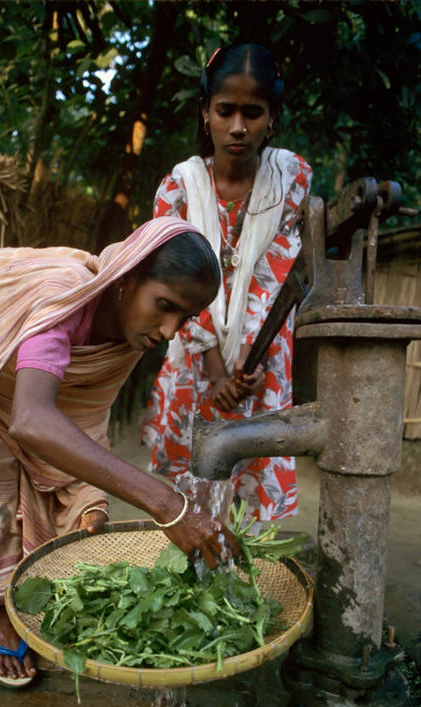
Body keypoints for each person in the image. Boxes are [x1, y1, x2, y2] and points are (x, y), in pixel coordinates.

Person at [0, 217, 240, 686]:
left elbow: (81, 418)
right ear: (128, 277)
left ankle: (20, 584)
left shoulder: (129, 336)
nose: (171, 330)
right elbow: (32, 420)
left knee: (81, 505)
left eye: (186, 318)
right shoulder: (65, 298)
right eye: (165, 306)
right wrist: (168, 505)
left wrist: (85, 499)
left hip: (21, 384)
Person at [142, 41, 312, 525]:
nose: (238, 127)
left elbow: (279, 276)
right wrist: (215, 371)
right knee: (189, 503)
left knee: (251, 509)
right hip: (197, 360)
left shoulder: (291, 178)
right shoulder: (177, 190)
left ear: (271, 117)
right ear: (205, 112)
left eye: (253, 112)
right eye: (225, 111)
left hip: (260, 364)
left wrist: (247, 368)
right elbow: (172, 284)